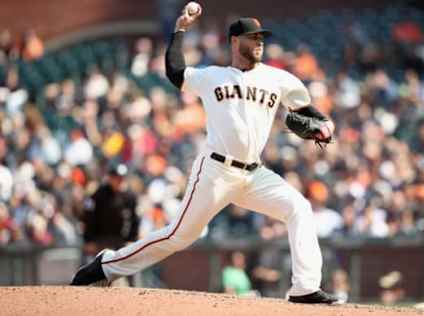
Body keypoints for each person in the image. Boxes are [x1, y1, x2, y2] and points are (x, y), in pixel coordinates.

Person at [71, 3, 337, 304]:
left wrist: (324, 124)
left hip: (254, 173)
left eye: (261, 37)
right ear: (235, 42)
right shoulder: (213, 76)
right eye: (253, 37)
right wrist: (180, 30)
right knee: (179, 236)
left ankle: (304, 288)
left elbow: (304, 109)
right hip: (216, 172)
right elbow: (175, 72)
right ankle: (106, 266)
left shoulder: (277, 78)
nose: (259, 42)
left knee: (299, 208)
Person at [78, 164, 139, 285]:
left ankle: (134, 294)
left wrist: (132, 239)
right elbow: (88, 218)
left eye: (121, 177)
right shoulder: (98, 195)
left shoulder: (129, 196)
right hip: (101, 241)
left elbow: (134, 219)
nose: (119, 180)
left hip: (121, 241)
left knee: (129, 268)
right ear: (110, 178)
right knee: (97, 271)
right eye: (116, 177)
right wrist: (88, 240)